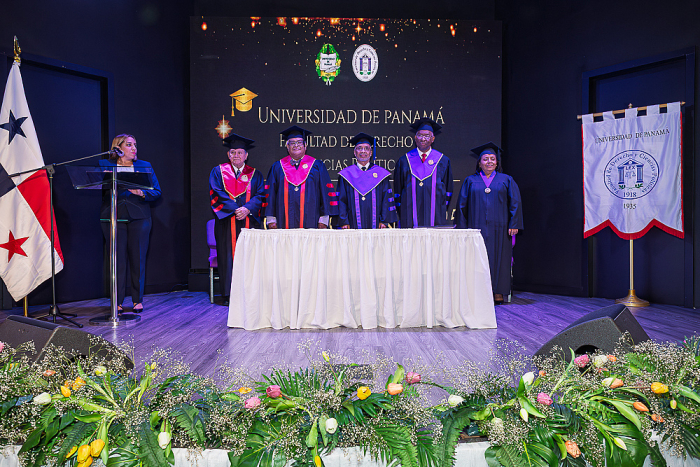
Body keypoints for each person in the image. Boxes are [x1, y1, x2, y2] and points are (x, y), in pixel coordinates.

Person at [99, 134, 161, 312]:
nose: (134, 148)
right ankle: (117, 301)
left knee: (138, 259)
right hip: (113, 216)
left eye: (135, 145)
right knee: (117, 261)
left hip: (139, 217)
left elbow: (157, 191)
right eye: (129, 145)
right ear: (118, 148)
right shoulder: (106, 165)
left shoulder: (144, 166)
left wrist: (142, 193)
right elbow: (98, 185)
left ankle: (137, 300)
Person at [456, 142, 523, 304]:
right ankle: (478, 292)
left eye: (492, 159)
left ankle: (498, 291)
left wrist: (514, 223)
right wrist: (462, 228)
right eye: (485, 159)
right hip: (476, 226)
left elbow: (515, 202)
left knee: (501, 258)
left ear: (497, 162)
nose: (489, 162)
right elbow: (462, 205)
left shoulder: (506, 180)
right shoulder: (470, 181)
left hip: (500, 227)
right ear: (479, 163)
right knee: (477, 259)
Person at [209, 133, 264, 305]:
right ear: (228, 154)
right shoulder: (218, 172)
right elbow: (216, 192)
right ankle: (228, 294)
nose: (236, 155)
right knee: (226, 256)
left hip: (249, 221)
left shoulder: (255, 174)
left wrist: (247, 209)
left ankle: (250, 294)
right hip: (226, 221)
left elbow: (261, 194)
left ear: (246, 155)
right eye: (233, 152)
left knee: (250, 256)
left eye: (240, 152)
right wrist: (235, 209)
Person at [265, 125, 337, 229]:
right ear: (287, 146)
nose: (296, 145)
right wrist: (271, 218)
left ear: (305, 145)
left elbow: (325, 193)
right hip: (283, 220)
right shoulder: (277, 167)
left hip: (312, 219)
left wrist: (324, 219)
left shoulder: (317, 166)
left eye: (299, 142)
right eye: (292, 143)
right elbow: (270, 193)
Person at [393, 118, 453, 227]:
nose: (423, 139)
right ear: (415, 137)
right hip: (409, 216)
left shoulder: (443, 161)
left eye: (427, 136)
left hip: (436, 215)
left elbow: (448, 191)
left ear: (433, 139)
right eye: (420, 135)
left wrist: (440, 208)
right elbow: (398, 191)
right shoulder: (404, 160)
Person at [336, 132, 397, 229]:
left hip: (377, 226)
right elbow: (341, 200)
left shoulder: (381, 174)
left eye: (366, 148)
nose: (363, 151)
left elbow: (386, 199)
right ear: (355, 152)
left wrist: (384, 221)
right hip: (351, 226)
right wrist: (344, 221)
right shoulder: (346, 175)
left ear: (371, 152)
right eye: (359, 148)